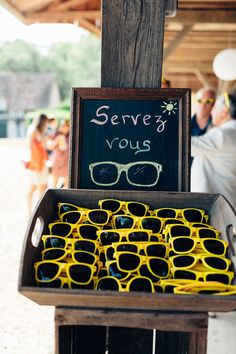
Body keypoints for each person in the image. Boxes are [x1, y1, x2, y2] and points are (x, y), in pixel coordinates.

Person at [191, 92, 236, 210]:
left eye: (215, 107)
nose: (211, 111)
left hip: (217, 206)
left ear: (224, 111)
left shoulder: (223, 135)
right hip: (227, 200)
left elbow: (188, 146)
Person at [27, 114, 49, 214]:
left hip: (39, 162)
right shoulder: (34, 130)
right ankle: (36, 211)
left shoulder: (36, 130)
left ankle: (31, 210)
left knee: (36, 186)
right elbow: (33, 148)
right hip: (37, 162)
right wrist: (39, 164)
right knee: (39, 186)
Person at [48, 119, 70, 188]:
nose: (62, 127)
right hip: (57, 161)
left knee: (67, 183)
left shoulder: (71, 136)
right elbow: (49, 146)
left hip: (67, 161)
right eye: (61, 125)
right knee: (54, 182)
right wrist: (56, 141)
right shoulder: (56, 135)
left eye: (64, 126)